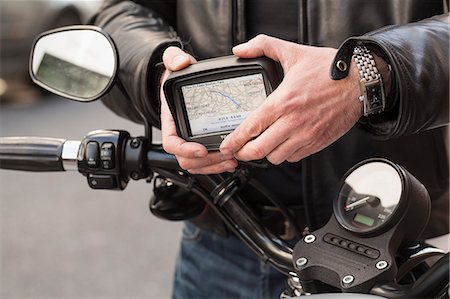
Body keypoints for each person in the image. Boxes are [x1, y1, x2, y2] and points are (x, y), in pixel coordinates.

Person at [92, 1, 449, 298]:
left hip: (385, 249)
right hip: (223, 241)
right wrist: (160, 76)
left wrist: (367, 75)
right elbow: (124, 12)